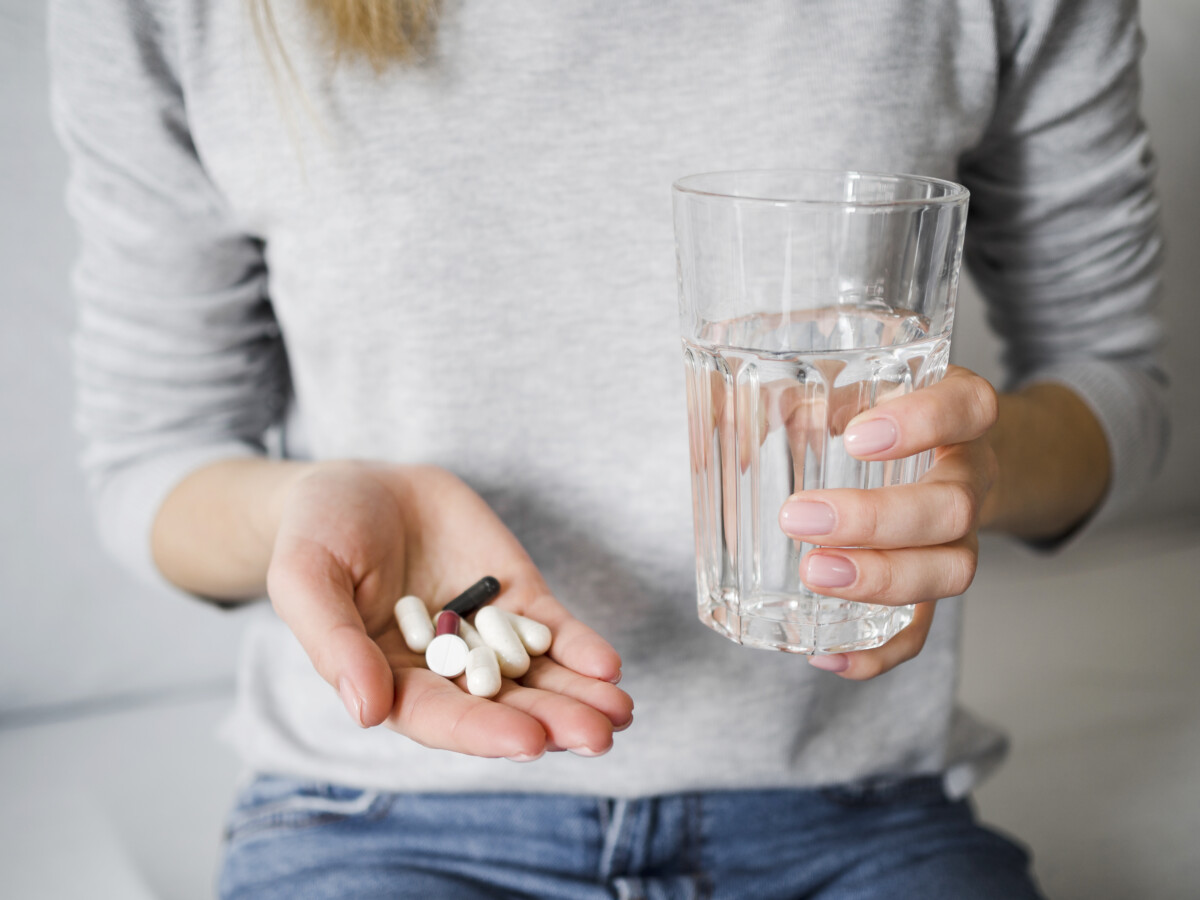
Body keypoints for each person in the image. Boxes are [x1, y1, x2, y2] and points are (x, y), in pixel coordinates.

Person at [49, 0, 1165, 897]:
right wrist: (305, 511)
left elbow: (1118, 384)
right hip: (379, 818)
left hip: (853, 812)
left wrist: (981, 465)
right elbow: (156, 452)